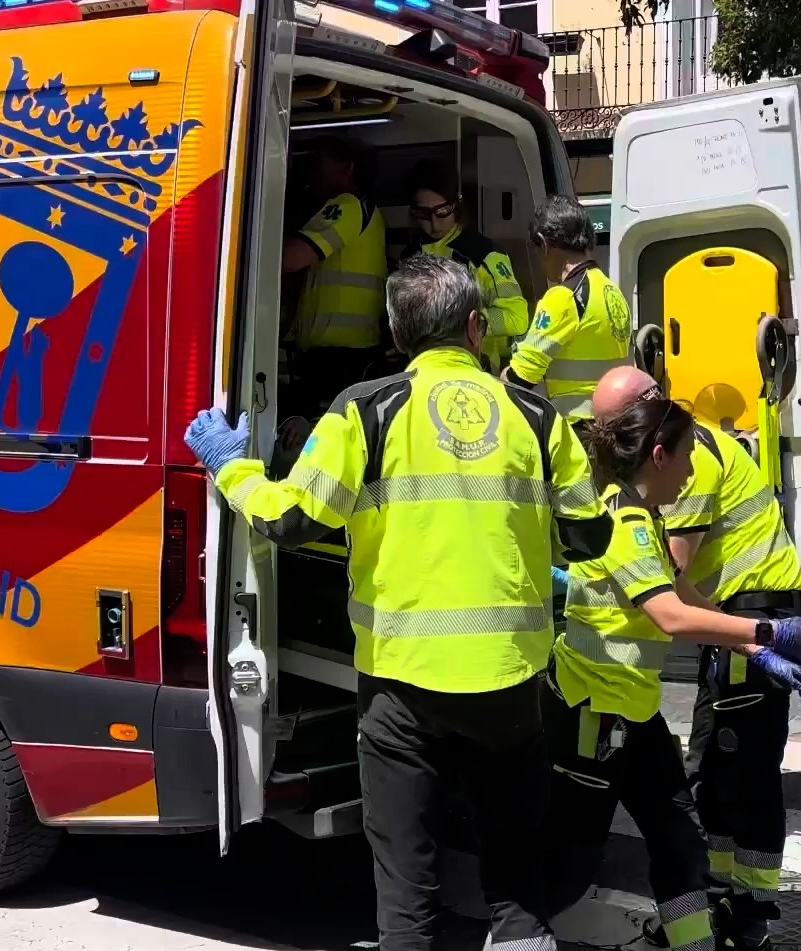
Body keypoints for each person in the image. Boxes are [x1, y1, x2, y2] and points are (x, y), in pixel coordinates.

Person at [184, 254, 614, 951]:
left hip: (400, 685)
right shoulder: (539, 416)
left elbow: (290, 521)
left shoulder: (364, 409)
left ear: (395, 330)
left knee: (407, 886)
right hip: (509, 684)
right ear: (477, 328)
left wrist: (231, 463)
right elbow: (589, 535)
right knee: (516, 884)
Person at [541, 378, 801, 951]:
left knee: (680, 844)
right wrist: (766, 628)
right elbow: (670, 615)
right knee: (569, 864)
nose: (694, 468)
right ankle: (515, 933)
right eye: (687, 454)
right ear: (659, 456)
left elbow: (681, 590)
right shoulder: (626, 522)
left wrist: (754, 650)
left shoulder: (646, 514)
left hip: (633, 717)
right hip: (593, 718)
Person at [281, 136, 389, 414]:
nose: (311, 171)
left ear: (347, 168)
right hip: (346, 355)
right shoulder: (361, 208)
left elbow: (289, 259)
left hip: (339, 359)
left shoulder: (347, 206)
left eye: (318, 162)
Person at [504, 195, 632, 421]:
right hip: (615, 424)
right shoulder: (611, 291)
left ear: (543, 244)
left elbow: (521, 376)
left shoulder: (563, 298)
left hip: (577, 430)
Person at [397, 160, 531, 374]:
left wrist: (471, 324)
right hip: (421, 372)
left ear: (457, 205)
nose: (434, 223)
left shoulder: (485, 254)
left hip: (477, 371)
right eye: (423, 214)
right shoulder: (408, 257)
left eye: (442, 211)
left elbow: (517, 317)